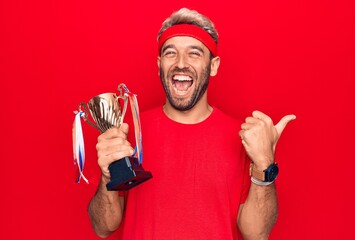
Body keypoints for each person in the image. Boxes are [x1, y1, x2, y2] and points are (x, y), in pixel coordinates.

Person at [88, 7, 295, 240]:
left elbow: (256, 234)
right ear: (159, 65)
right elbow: (103, 227)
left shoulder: (243, 138)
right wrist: (107, 177)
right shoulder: (127, 132)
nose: (181, 64)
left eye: (194, 53)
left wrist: (265, 163)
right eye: (170, 53)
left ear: (213, 65)